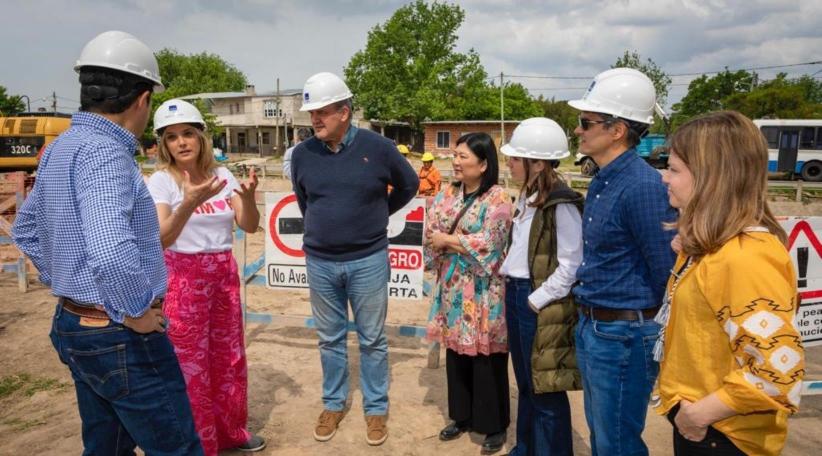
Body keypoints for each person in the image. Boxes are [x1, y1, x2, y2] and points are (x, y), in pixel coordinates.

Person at [11, 31, 202, 455]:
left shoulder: (62, 147)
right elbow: (112, 251)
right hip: (119, 334)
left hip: (75, 324)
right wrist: (135, 311)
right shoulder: (107, 153)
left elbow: (25, 229)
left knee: (107, 447)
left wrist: (69, 280)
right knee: (177, 448)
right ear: (142, 99)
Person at [654, 111, 805, 456]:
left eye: (674, 169)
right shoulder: (717, 249)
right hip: (711, 427)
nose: (664, 178)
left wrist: (698, 415)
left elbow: (777, 372)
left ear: (711, 178)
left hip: (723, 435)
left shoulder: (744, 258)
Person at [291, 72, 419, 446]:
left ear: (344, 112)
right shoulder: (302, 154)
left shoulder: (379, 148)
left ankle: (375, 409)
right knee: (329, 339)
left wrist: (377, 213)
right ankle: (333, 404)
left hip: (368, 259)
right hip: (320, 262)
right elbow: (305, 200)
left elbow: (409, 184)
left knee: (373, 339)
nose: (315, 119)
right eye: (312, 112)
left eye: (322, 112)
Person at [567, 67, 678, 456]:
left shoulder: (643, 186)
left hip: (624, 335)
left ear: (617, 130)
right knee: (604, 435)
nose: (578, 130)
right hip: (597, 328)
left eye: (586, 122)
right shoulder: (604, 179)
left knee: (617, 441)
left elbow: (666, 271)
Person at [146, 99, 264, 454]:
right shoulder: (162, 181)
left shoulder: (222, 176)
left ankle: (231, 432)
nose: (181, 142)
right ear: (164, 144)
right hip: (184, 279)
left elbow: (249, 225)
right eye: (171, 137)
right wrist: (189, 202)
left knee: (228, 357)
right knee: (190, 365)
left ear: (201, 137)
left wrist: (249, 198)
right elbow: (162, 237)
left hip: (224, 275)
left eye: (187, 133)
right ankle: (201, 443)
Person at [499, 118, 584, 456]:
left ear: (537, 163)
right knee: (526, 382)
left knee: (545, 388)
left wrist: (536, 299)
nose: (509, 162)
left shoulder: (560, 203)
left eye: (515, 157)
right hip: (517, 292)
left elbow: (572, 264)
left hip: (535, 300)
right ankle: (526, 448)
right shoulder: (529, 196)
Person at [425, 132, 512, 455]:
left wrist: (449, 241)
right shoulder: (447, 193)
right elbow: (431, 231)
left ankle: (494, 424)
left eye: (463, 156)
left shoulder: (499, 198)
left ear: (484, 163)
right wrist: (453, 242)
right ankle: (461, 416)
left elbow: (492, 242)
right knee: (457, 353)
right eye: (455, 155)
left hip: (484, 291)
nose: (456, 162)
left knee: (487, 356)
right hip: (453, 290)